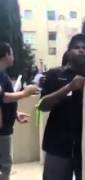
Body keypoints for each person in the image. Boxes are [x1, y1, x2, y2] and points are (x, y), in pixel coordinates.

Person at [38, 34, 85, 180]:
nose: (81, 50)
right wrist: (69, 87)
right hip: (58, 144)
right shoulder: (54, 74)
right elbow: (43, 106)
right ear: (68, 52)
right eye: (77, 47)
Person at [0, 42, 39, 180]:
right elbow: (3, 98)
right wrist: (25, 93)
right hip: (2, 131)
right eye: (12, 53)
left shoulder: (2, 74)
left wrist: (15, 114)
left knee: (5, 165)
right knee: (4, 166)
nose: (13, 56)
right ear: (6, 54)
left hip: (5, 128)